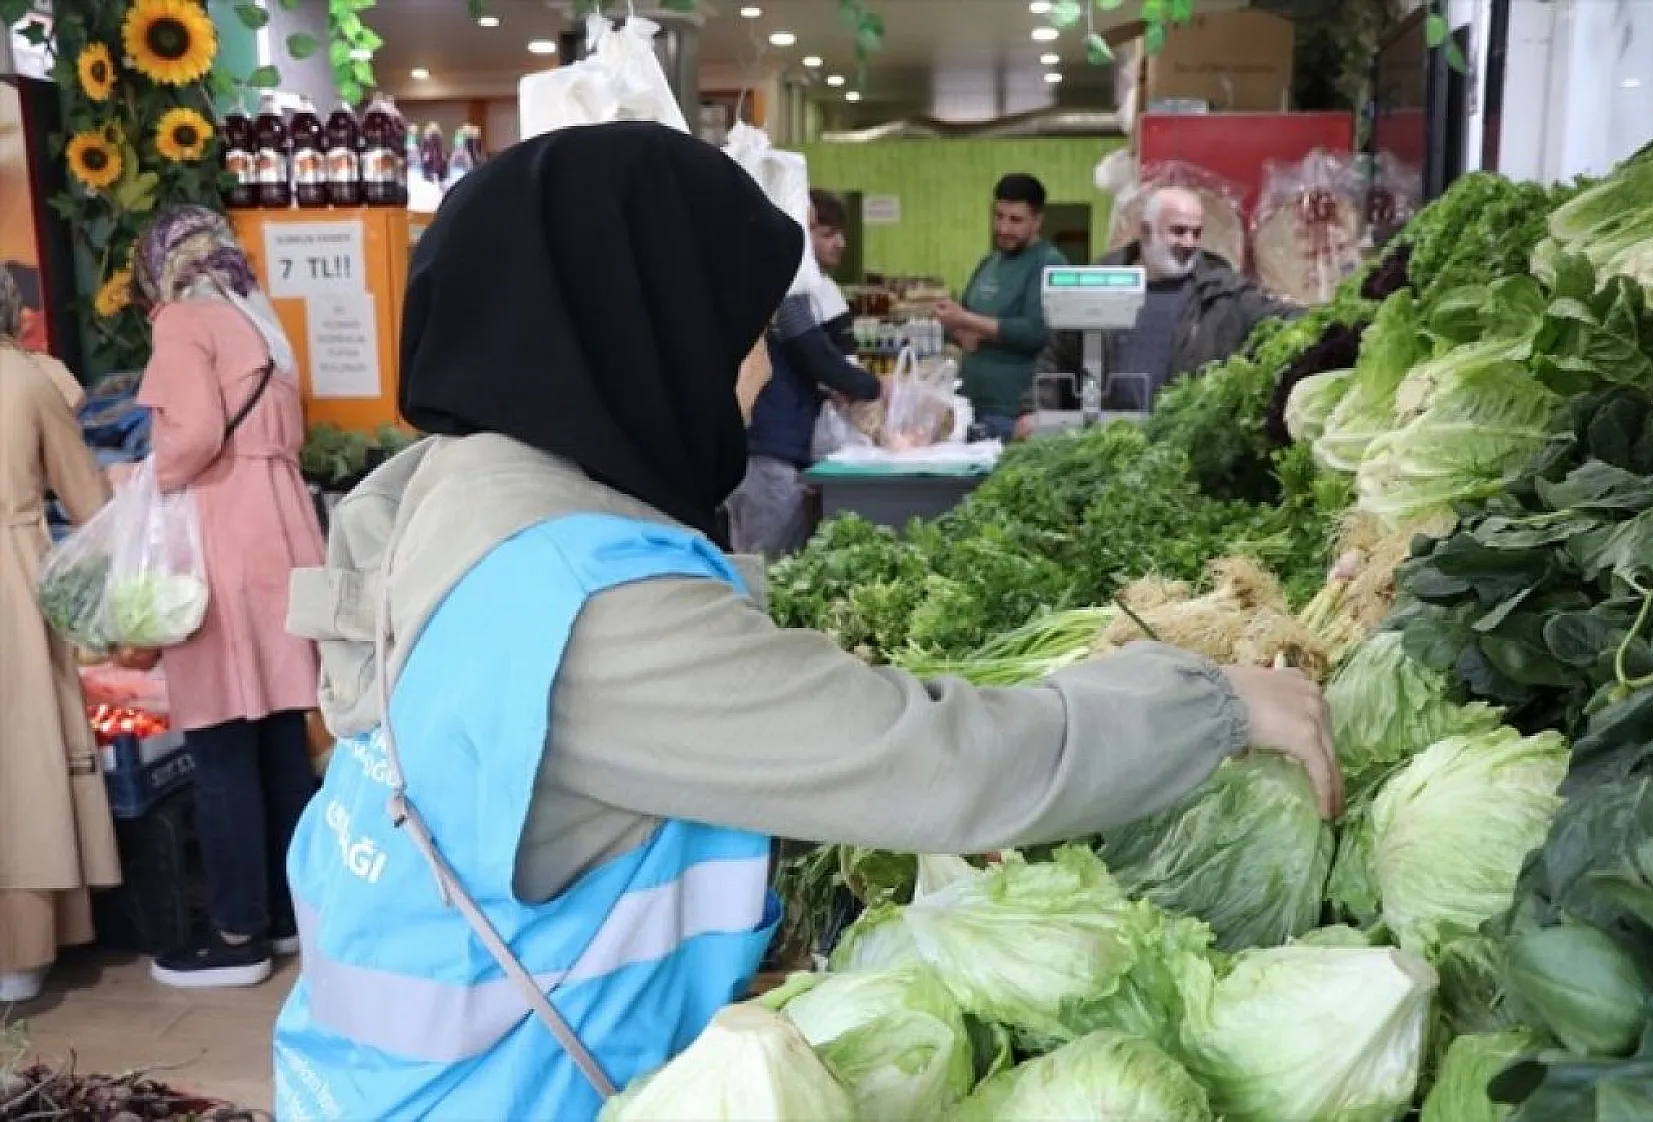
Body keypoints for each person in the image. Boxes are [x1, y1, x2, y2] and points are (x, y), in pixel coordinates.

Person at [273, 122, 1339, 1122]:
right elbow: (939, 766)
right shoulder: (584, 608)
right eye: (740, 334)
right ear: (645, 333)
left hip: (381, 1079)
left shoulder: (448, 493)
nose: (755, 370)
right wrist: (1208, 699)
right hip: (506, 1094)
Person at [126, 206, 325, 989]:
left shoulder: (182, 319)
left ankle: (236, 930)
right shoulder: (258, 318)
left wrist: (143, 477)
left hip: (221, 535)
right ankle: (285, 915)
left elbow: (193, 434)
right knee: (278, 731)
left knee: (217, 742)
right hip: (280, 527)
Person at [0, 268, 121, 1005]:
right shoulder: (28, 382)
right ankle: (23, 948)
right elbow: (90, 504)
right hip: (14, 576)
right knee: (23, 755)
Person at [1031, 186, 1298, 425]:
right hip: (1108, 445)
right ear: (1146, 231)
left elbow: (1280, 317)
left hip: (1187, 446)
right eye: (1178, 231)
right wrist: (1032, 410)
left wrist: (1330, 317)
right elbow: (1056, 357)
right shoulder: (1101, 282)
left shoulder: (1222, 291)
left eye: (1196, 233)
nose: (1189, 243)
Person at [727, 200, 882, 558]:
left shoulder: (776, 283)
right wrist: (869, 387)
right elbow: (813, 353)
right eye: (819, 230)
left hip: (770, 445)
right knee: (767, 562)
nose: (837, 243)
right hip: (768, 446)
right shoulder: (779, 287)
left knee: (758, 554)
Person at [935, 173, 1066, 441]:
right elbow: (962, 317)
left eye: (1015, 220)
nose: (1004, 228)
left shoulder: (1048, 263)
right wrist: (957, 329)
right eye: (999, 216)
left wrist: (972, 324)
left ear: (1037, 221)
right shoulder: (989, 262)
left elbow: (1037, 331)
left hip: (1014, 413)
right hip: (971, 406)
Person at [807, 188, 856, 356]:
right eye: (828, 235)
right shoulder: (795, 296)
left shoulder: (829, 287)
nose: (841, 243)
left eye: (841, 233)